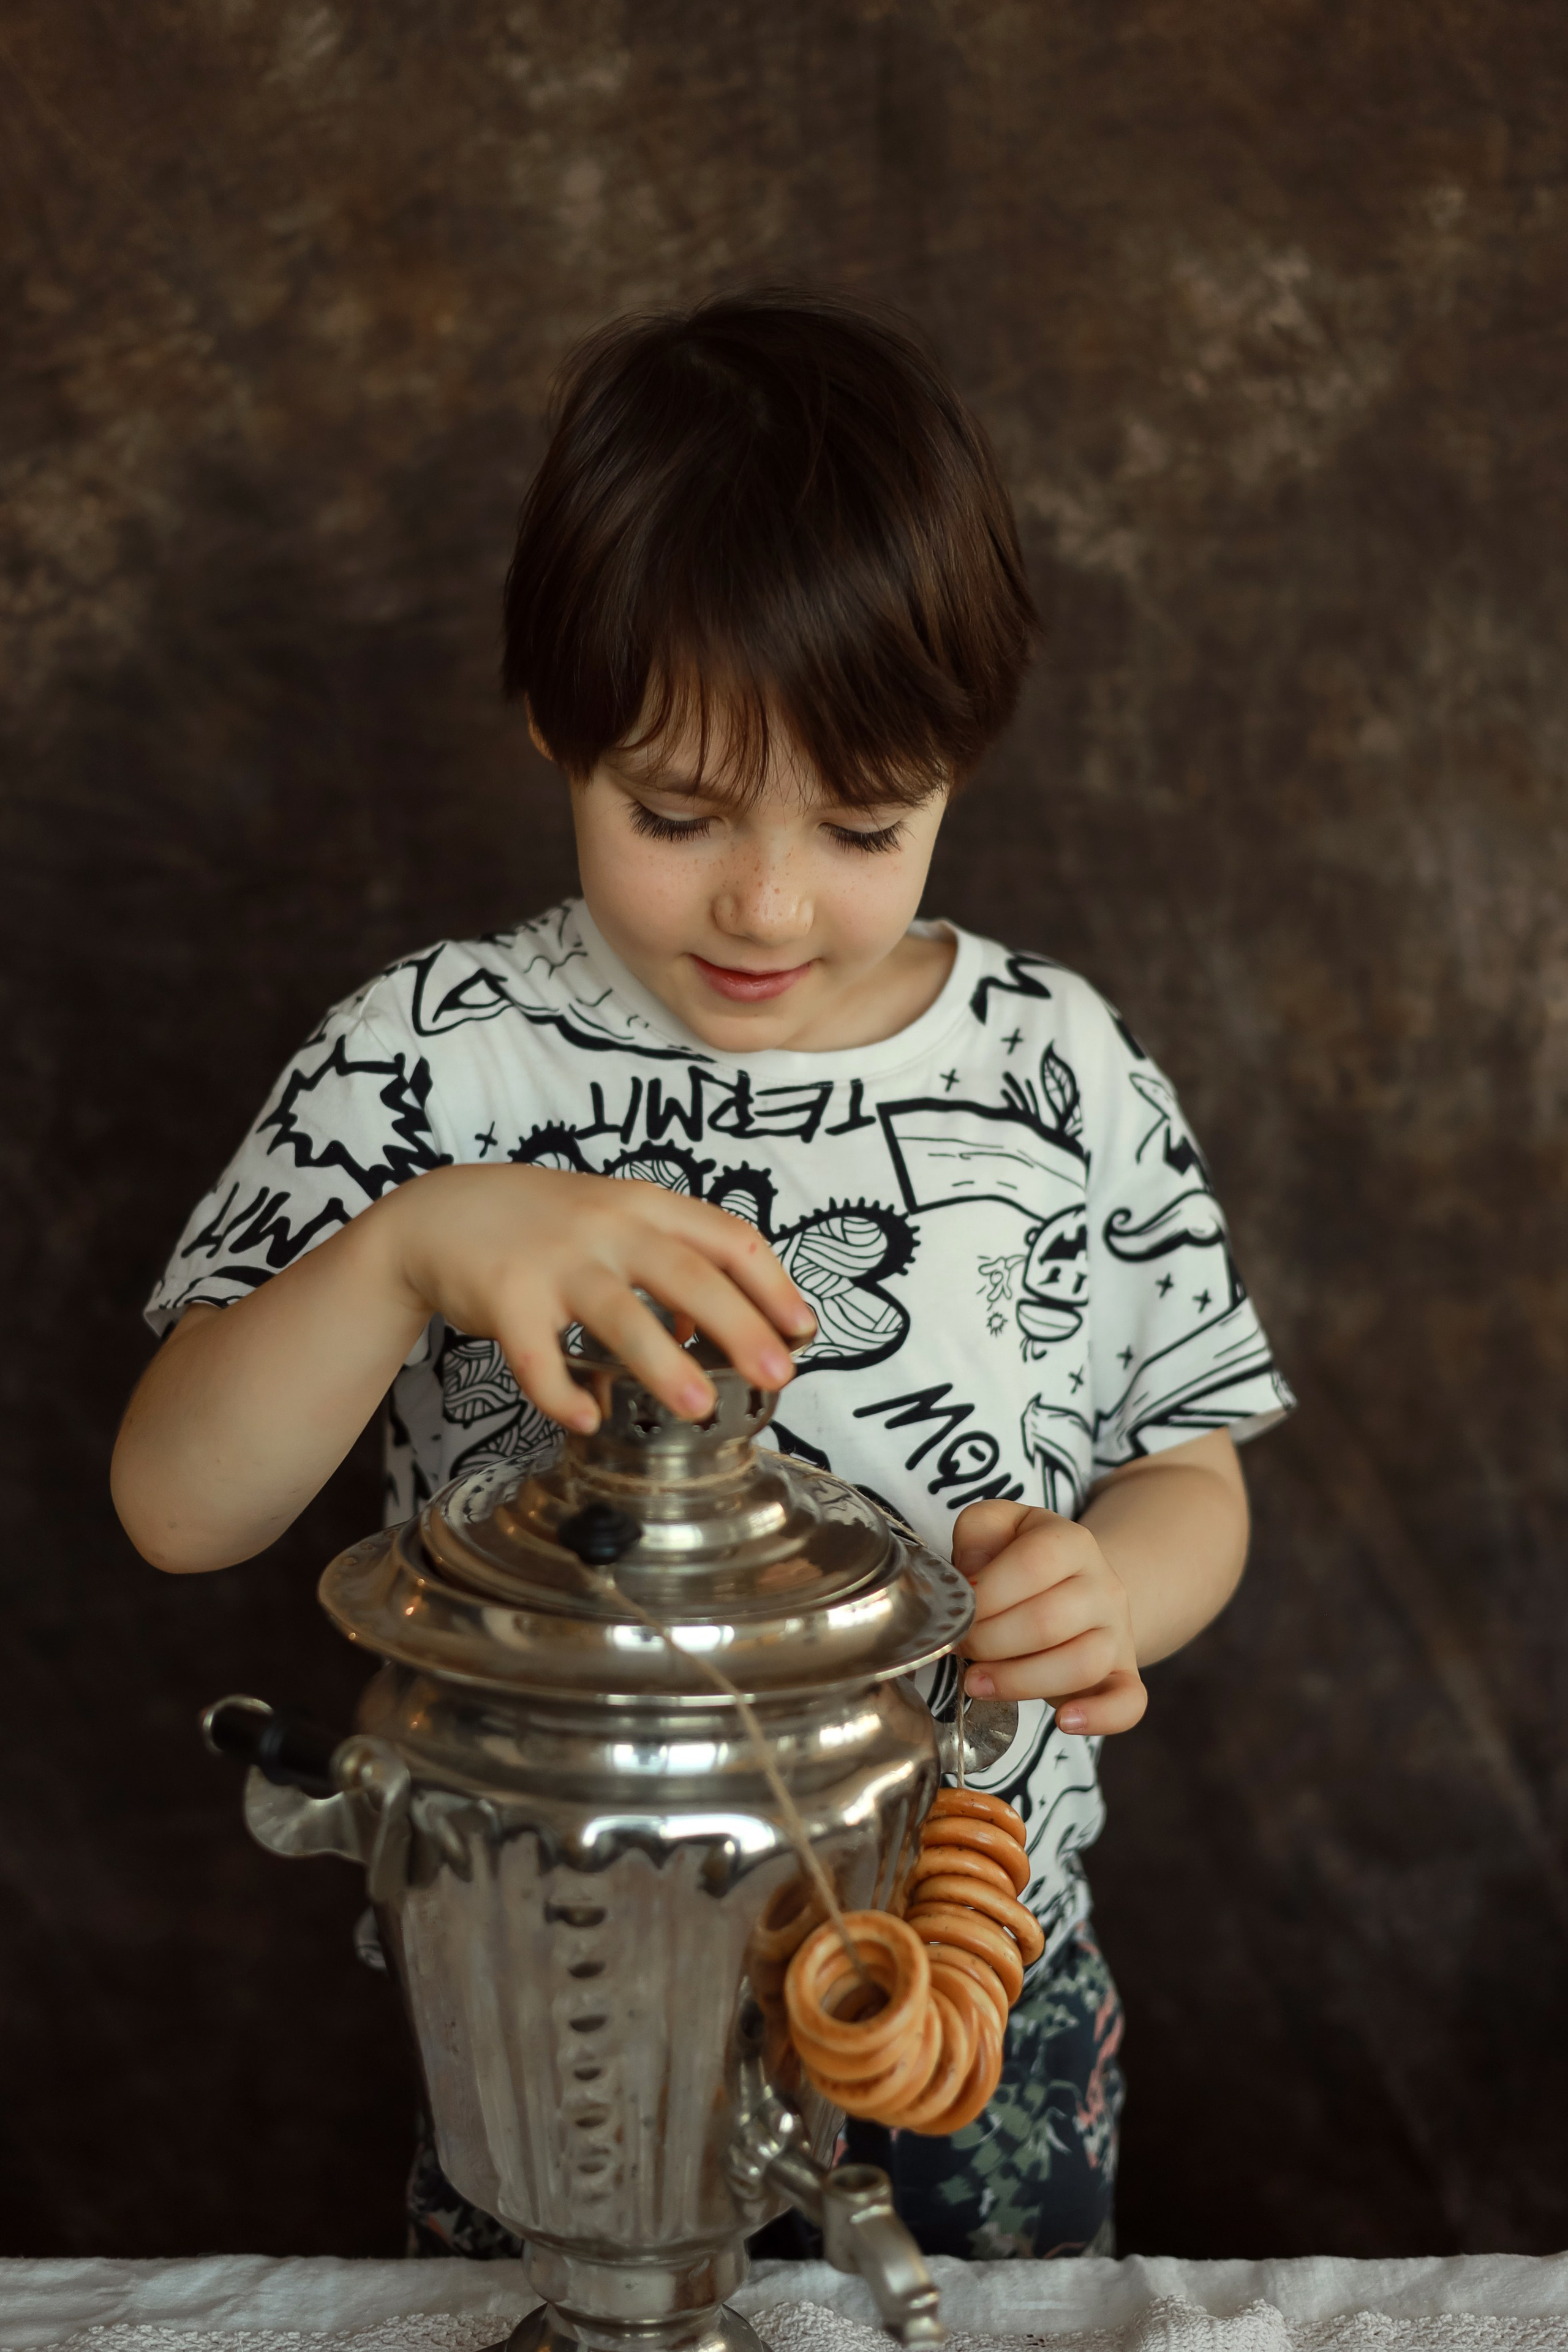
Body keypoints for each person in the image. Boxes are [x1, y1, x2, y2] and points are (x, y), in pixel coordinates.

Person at [111, 290, 1292, 2263]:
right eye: (672, 812)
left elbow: (1195, 1468)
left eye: (862, 823)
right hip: (564, 2009)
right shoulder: (436, 1058)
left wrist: (1120, 1588)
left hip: (975, 1983)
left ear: (960, 769)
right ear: (556, 731)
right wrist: (412, 1248)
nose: (764, 900)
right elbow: (175, 1502)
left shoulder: (1059, 1067)